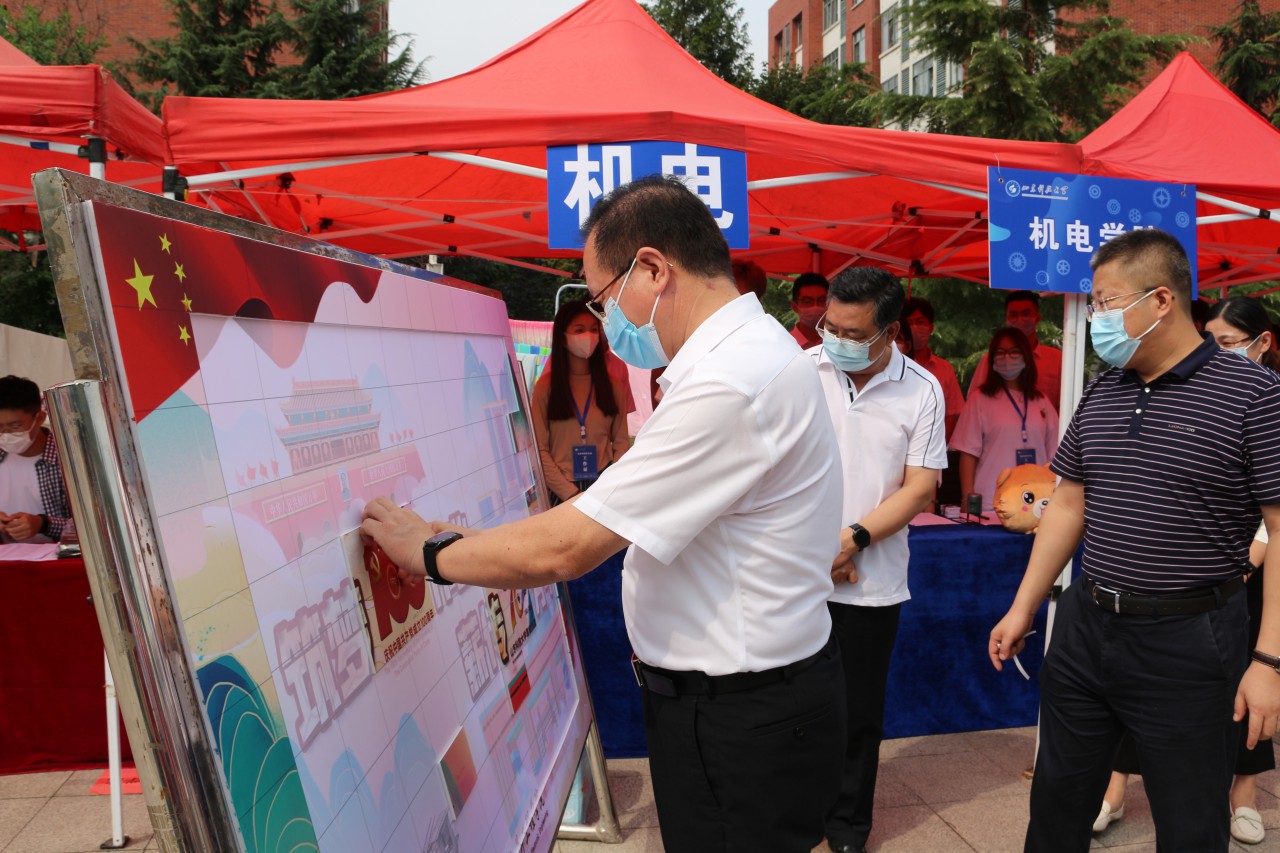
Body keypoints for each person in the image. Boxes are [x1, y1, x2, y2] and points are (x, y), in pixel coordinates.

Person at [362, 175, 848, 853]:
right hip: (746, 701)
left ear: (652, 269)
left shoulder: (730, 382)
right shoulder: (746, 355)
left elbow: (572, 545)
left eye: (603, 297)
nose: (604, 321)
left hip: (740, 716)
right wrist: (471, 539)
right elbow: (613, 505)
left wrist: (430, 555)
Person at [989, 228, 1280, 853]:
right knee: (1057, 807)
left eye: (1106, 301)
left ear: (1161, 300)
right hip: (1087, 628)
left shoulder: (1253, 394)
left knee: (1190, 823)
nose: (1096, 316)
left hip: (1190, 641)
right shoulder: (1104, 388)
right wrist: (1023, 606)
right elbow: (1068, 504)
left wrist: (1268, 661)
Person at [1094, 297, 1280, 844]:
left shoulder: (1264, 396)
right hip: (1197, 570)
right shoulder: (1168, 388)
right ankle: (1115, 787)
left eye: (1227, 343)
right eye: (1211, 340)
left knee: (1246, 688)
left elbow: (1272, 506)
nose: (1215, 352)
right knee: (1144, 692)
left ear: (1262, 342)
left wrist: (1254, 555)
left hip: (1245, 573)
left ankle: (1243, 793)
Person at [810, 267, 947, 853]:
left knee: (857, 711)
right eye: (830, 327)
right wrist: (817, 545)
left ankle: (846, 827)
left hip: (870, 583)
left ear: (890, 332)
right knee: (788, 706)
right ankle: (793, 817)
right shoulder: (800, 371)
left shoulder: (922, 389)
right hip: (793, 573)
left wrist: (852, 539)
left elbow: (920, 488)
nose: (836, 341)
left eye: (853, 333)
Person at [530, 301, 631, 504]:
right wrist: (568, 493)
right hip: (561, 490)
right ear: (563, 336)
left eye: (593, 329)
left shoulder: (613, 386)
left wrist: (608, 485)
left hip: (603, 487)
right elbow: (538, 449)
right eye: (579, 330)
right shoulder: (546, 388)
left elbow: (621, 443)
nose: (588, 336)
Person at [949, 327, 1058, 512]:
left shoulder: (1041, 401)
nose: (1007, 357)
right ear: (992, 358)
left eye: (1014, 352)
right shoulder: (979, 399)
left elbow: (1054, 455)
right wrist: (967, 498)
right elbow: (968, 454)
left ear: (1026, 356)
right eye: (1000, 352)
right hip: (991, 501)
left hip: (1036, 503)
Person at [0, 375, 71, 544]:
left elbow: (94, 525)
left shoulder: (68, 460)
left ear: (39, 418)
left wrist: (43, 524)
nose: (6, 434)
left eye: (15, 426)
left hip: (59, 558)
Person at [968, 290, 1063, 409]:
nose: (1019, 319)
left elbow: (1066, 404)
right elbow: (974, 404)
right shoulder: (990, 360)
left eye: (1025, 314)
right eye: (1013, 314)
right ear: (1006, 319)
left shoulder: (1056, 359)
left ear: (1037, 318)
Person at [901, 296, 964, 440]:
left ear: (931, 327)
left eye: (920, 322)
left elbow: (951, 414)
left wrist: (939, 446)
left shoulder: (945, 369)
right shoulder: (893, 366)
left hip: (934, 446)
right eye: (909, 323)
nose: (914, 327)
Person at [790, 272, 830, 349]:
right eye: (807, 301)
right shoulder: (785, 344)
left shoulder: (841, 344)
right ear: (795, 307)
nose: (815, 306)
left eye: (822, 300)